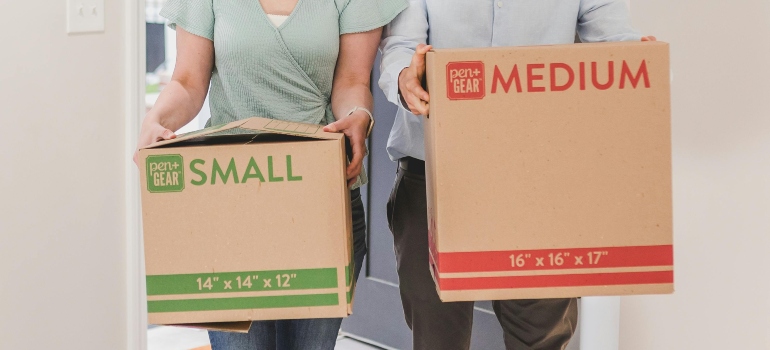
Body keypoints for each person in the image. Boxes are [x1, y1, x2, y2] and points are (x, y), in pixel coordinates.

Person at [379, 1, 656, 349]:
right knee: (437, 337)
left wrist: (636, 60)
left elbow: (613, 41)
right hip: (434, 171)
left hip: (540, 178)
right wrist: (406, 78)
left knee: (540, 337)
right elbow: (402, 46)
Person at [134, 0, 407, 348]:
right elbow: (188, 81)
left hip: (320, 201)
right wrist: (157, 120)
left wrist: (358, 115)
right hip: (229, 199)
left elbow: (352, 80)